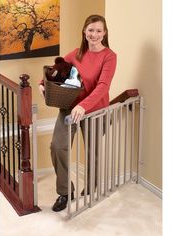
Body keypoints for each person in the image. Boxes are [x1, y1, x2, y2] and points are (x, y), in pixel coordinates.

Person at [38, 14, 117, 212]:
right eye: (91, 30)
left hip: (95, 110)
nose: (94, 34)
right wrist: (42, 84)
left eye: (99, 30)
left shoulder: (109, 56)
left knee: (93, 151)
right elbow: (57, 70)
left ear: (104, 33)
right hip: (69, 107)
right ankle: (65, 192)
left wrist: (84, 106)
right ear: (84, 31)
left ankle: (91, 188)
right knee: (57, 146)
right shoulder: (76, 53)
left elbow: (103, 86)